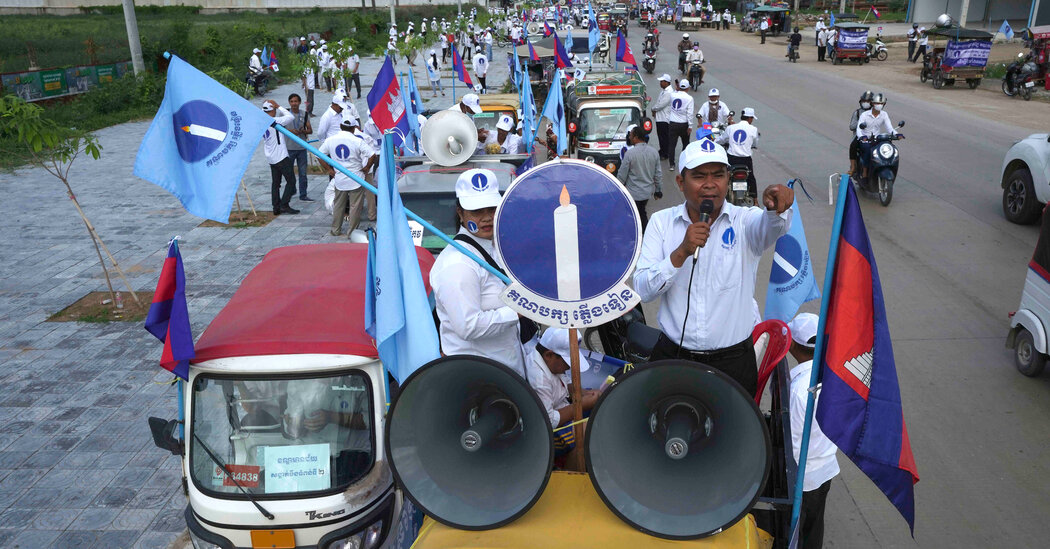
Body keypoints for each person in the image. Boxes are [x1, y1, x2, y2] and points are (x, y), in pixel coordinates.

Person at [633, 140, 794, 395]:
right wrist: (680, 253)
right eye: (699, 176)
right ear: (680, 182)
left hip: (733, 363)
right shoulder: (661, 223)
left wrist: (776, 208)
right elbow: (643, 290)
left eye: (718, 175)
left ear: (728, 179)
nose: (710, 184)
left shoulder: (745, 221)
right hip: (674, 356)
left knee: (733, 422)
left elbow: (772, 226)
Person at [430, 169, 528, 378]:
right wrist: (519, 310)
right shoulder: (457, 263)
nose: (487, 218)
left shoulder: (497, 246)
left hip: (508, 372)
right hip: (480, 378)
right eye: (476, 211)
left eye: (492, 208)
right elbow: (468, 326)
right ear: (460, 213)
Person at [786, 313, 840, 549]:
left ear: (792, 345)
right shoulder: (835, 377)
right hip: (825, 468)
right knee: (813, 532)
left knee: (793, 536)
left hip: (802, 478)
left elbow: (793, 442)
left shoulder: (799, 389)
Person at [526, 328, 599, 456]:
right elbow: (549, 421)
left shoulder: (551, 363)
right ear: (549, 355)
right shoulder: (539, 380)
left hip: (563, 406)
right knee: (589, 431)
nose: (569, 366)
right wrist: (580, 405)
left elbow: (565, 381)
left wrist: (582, 393)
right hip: (546, 433)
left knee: (600, 399)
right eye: (566, 361)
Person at [319, 115, 377, 237]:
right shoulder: (357, 141)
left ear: (340, 126)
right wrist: (367, 168)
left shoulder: (331, 140)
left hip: (340, 178)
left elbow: (319, 155)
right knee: (355, 207)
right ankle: (352, 232)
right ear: (354, 128)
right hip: (356, 178)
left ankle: (335, 230)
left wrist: (329, 169)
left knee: (338, 206)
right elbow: (373, 155)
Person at [617, 126, 663, 230]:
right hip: (646, 193)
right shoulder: (654, 152)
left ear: (636, 137)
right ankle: (645, 233)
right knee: (641, 212)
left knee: (634, 215)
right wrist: (658, 191)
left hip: (633, 193)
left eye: (630, 135)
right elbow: (658, 174)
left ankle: (637, 233)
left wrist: (617, 188)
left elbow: (622, 175)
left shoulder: (629, 154)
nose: (629, 137)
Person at [261, 100, 300, 216]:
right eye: (274, 110)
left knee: (276, 183)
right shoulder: (275, 121)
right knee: (291, 181)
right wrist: (279, 106)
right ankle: (284, 204)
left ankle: (276, 207)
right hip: (281, 157)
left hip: (271, 157)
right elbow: (290, 117)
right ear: (272, 110)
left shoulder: (261, 121)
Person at [855, 93, 899, 178]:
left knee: (887, 149)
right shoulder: (865, 115)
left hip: (877, 139)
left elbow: (889, 128)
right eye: (877, 103)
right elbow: (858, 129)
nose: (879, 105)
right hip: (865, 140)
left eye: (881, 103)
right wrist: (862, 137)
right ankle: (865, 171)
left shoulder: (884, 114)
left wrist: (897, 134)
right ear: (872, 103)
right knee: (867, 150)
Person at [718, 107, 760, 198]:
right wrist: (752, 145)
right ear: (750, 118)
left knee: (725, 176)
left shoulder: (731, 128)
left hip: (732, 158)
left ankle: (722, 196)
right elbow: (755, 143)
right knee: (751, 178)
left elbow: (722, 139)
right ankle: (755, 200)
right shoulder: (753, 129)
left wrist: (714, 142)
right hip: (746, 160)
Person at [285, 94, 313, 202]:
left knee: (303, 173)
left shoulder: (304, 114)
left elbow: (310, 130)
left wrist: (303, 131)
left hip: (301, 148)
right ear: (289, 102)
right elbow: (279, 128)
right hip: (289, 148)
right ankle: (291, 191)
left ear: (300, 102)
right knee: (289, 172)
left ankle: (303, 194)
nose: (294, 104)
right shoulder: (285, 114)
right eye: (292, 101)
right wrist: (291, 131)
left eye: (296, 101)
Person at [667, 79, 694, 172]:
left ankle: (671, 164)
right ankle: (684, 162)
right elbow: (690, 113)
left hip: (673, 123)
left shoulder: (672, 95)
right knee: (685, 143)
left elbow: (675, 92)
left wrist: (677, 88)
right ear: (688, 88)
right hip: (684, 124)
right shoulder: (689, 98)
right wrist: (690, 126)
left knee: (672, 144)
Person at [848, 90, 873, 177]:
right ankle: (853, 167)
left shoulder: (876, 113)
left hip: (872, 135)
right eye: (864, 101)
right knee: (853, 146)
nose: (865, 103)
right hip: (859, 136)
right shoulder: (857, 113)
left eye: (868, 101)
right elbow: (851, 127)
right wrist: (860, 123)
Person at [651, 74, 674, 163]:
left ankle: (665, 153)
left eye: (662, 81)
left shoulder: (668, 92)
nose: (660, 83)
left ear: (666, 82)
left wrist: (653, 109)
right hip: (660, 117)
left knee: (664, 136)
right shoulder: (664, 91)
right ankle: (662, 150)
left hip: (664, 118)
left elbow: (661, 105)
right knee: (661, 136)